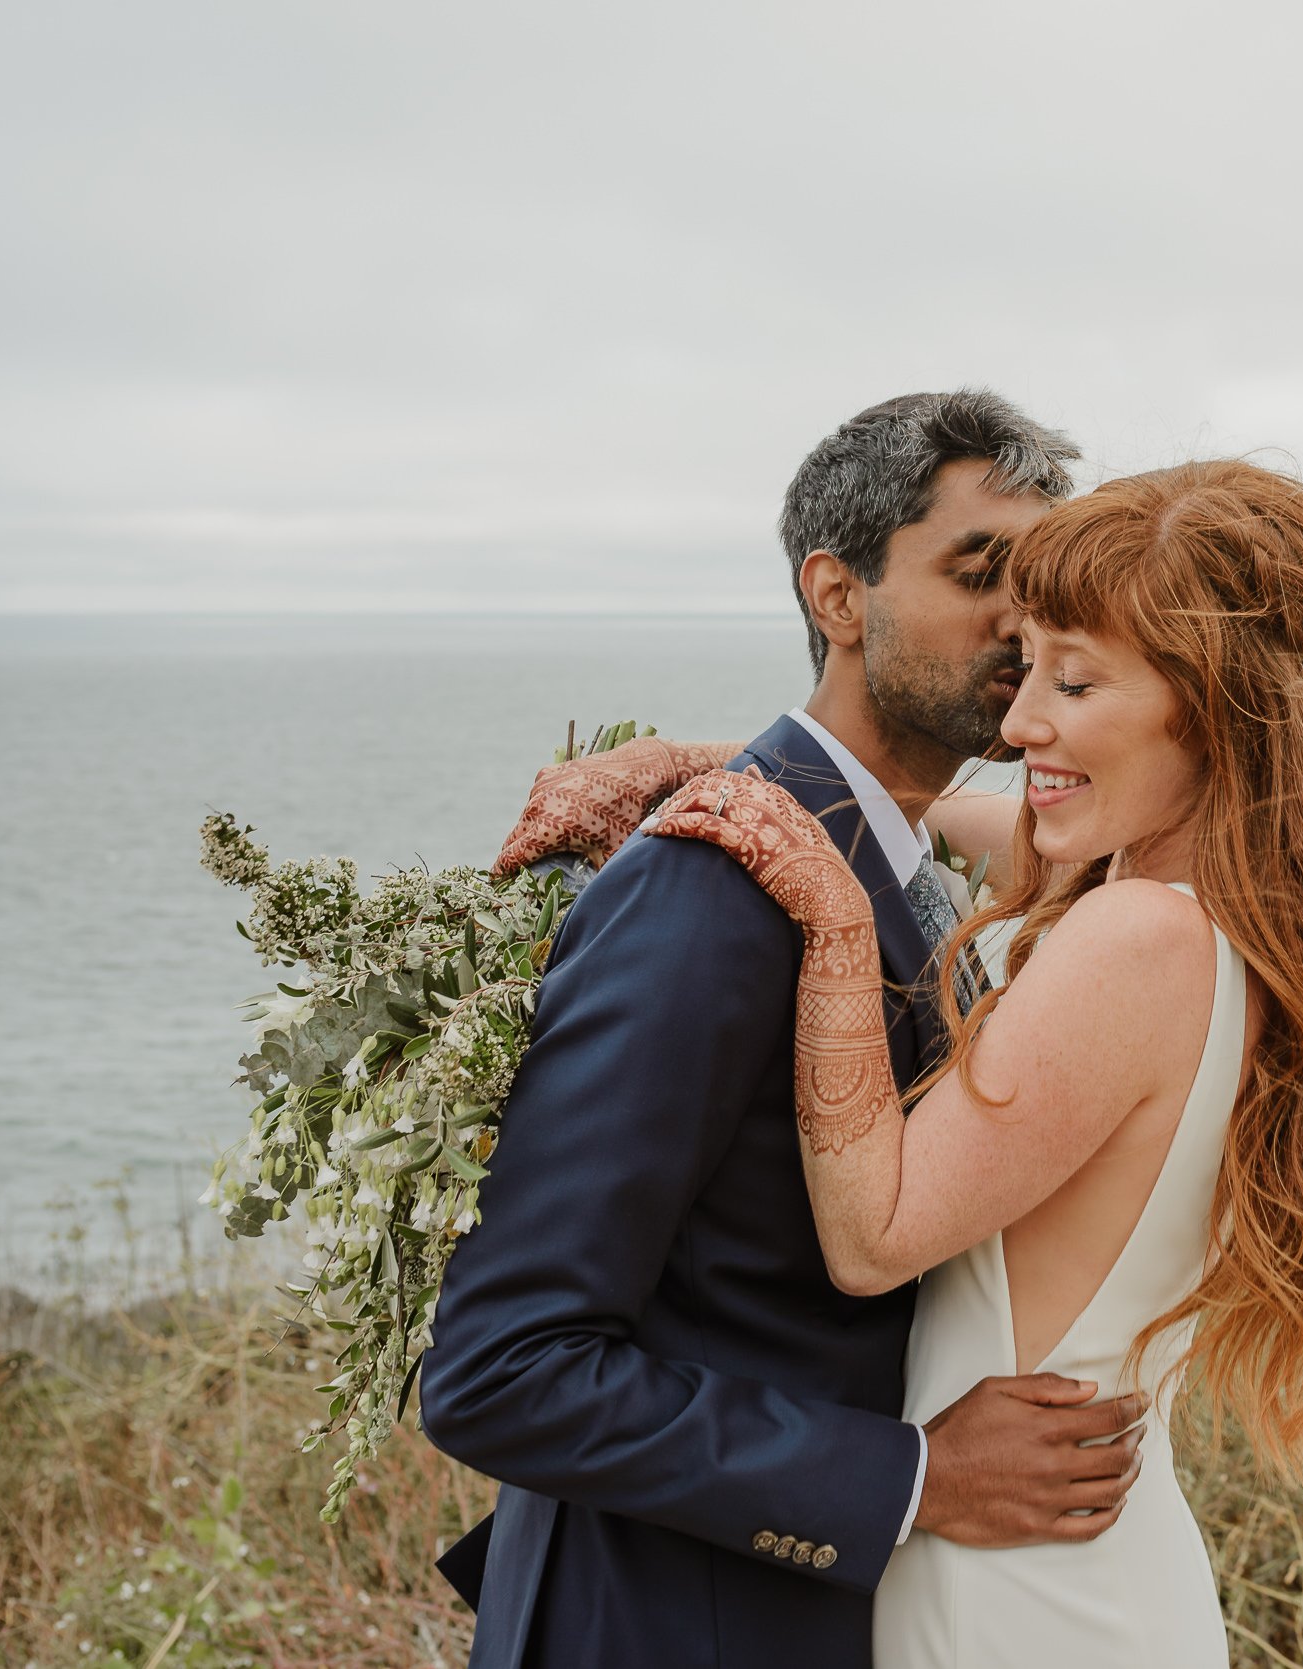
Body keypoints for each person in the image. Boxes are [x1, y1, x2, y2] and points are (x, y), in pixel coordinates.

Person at [505, 459, 1303, 1665]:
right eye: (1027, 665)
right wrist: (695, 761)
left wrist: (827, 908)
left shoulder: (1134, 939)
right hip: (1075, 1563)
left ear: (1212, 705)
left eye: (1073, 680)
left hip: (1018, 1591)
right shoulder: (1221, 906)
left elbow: (874, 1237)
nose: (1018, 725)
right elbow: (937, 816)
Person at [419, 391, 1154, 1669]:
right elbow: (502, 1369)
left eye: (1039, 585)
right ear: (837, 595)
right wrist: (911, 1477)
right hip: (675, 1624)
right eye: (978, 572)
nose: (1023, 623)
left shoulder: (897, 851)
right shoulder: (710, 884)